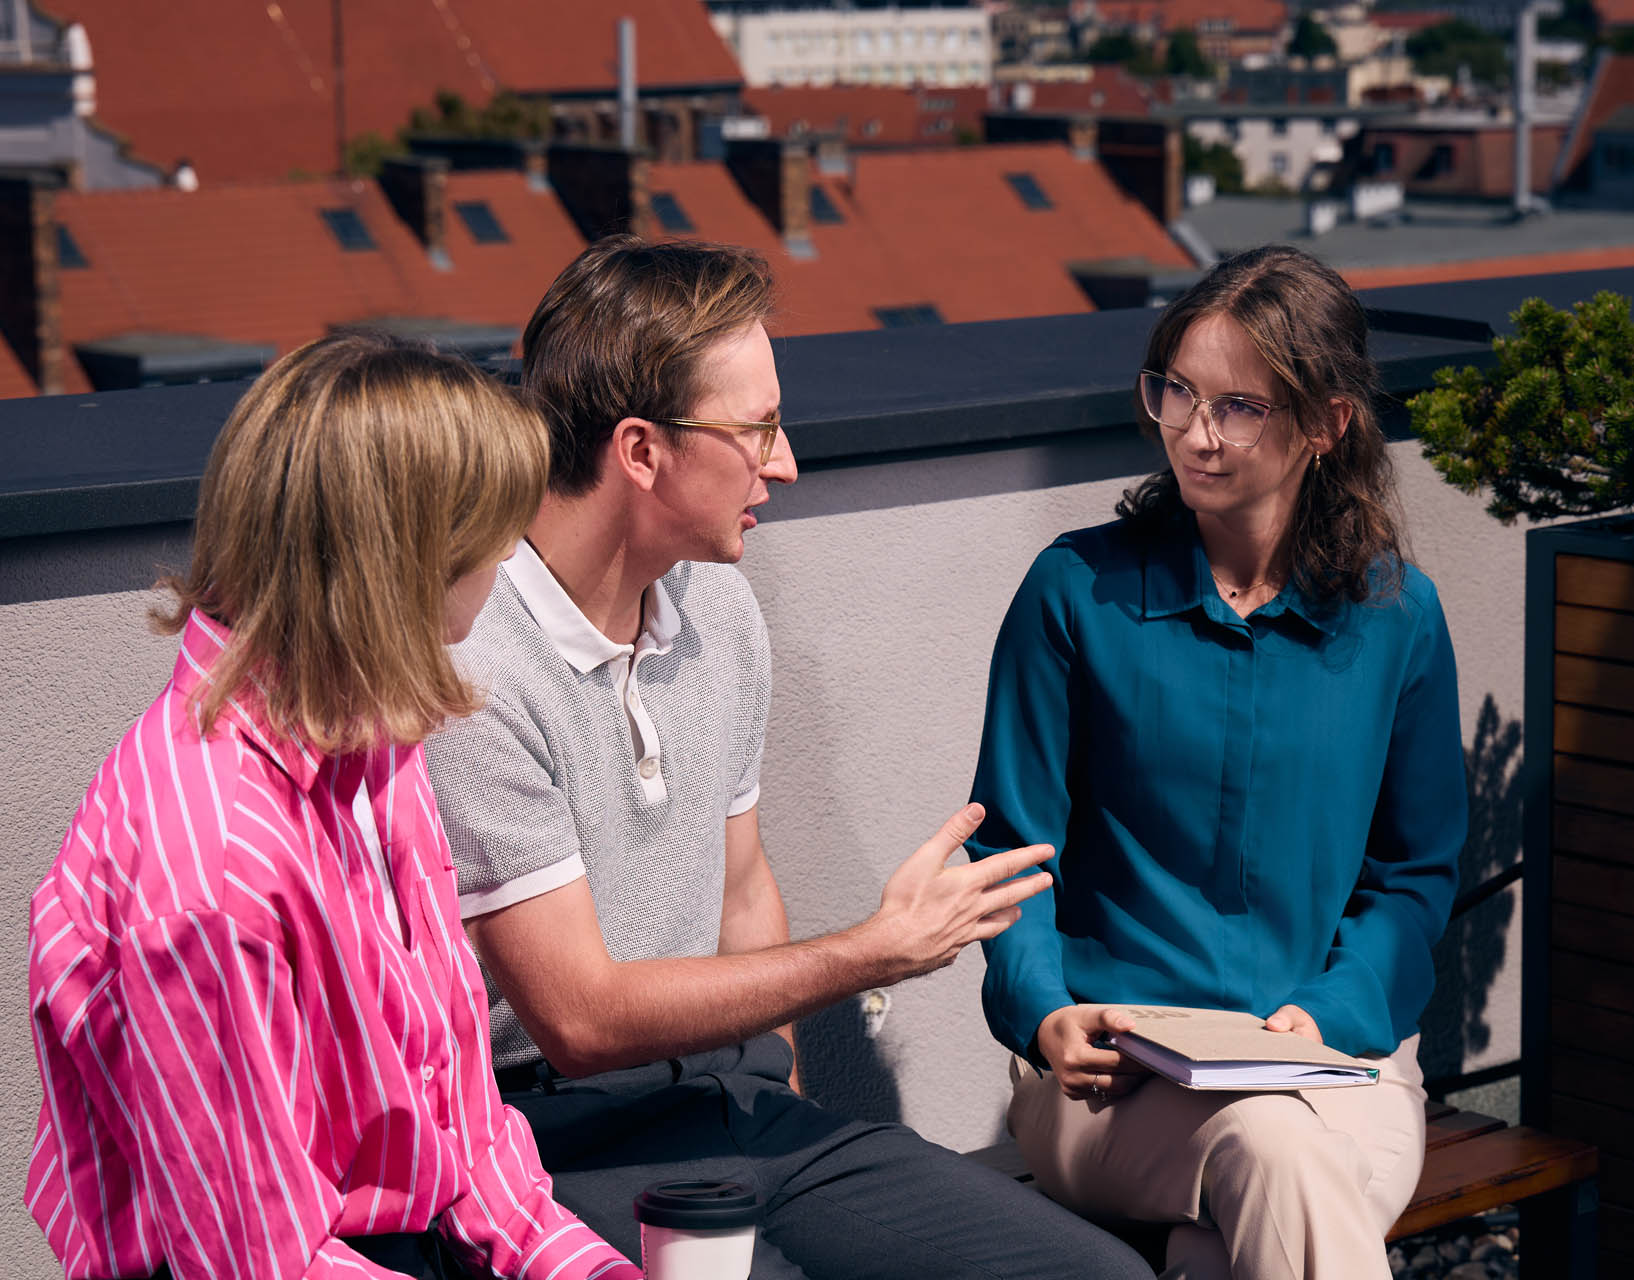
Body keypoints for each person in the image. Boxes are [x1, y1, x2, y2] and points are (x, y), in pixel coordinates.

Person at [421, 234, 1154, 1280]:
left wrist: (789, 1111)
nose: (785, 462)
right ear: (641, 451)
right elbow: (578, 1019)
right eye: (757, 428)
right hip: (559, 1141)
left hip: (737, 1097)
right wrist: (872, 952)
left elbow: (741, 886)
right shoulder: (477, 664)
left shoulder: (717, 601)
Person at [24, 334, 638, 1280]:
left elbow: (465, 1132)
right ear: (409, 563)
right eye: (496, 534)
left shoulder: (368, 737)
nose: (512, 556)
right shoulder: (217, 866)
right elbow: (257, 1263)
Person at [966, 244, 1468, 1280]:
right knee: (1272, 1151)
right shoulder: (1074, 592)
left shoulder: (1399, 617)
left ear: (1327, 422)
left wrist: (1325, 1016)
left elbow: (1414, 875)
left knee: (1225, 1238)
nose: (1196, 433)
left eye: (1239, 407)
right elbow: (1010, 852)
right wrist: (1045, 1012)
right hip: (1116, 1079)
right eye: (1178, 392)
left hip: (1339, 1061)